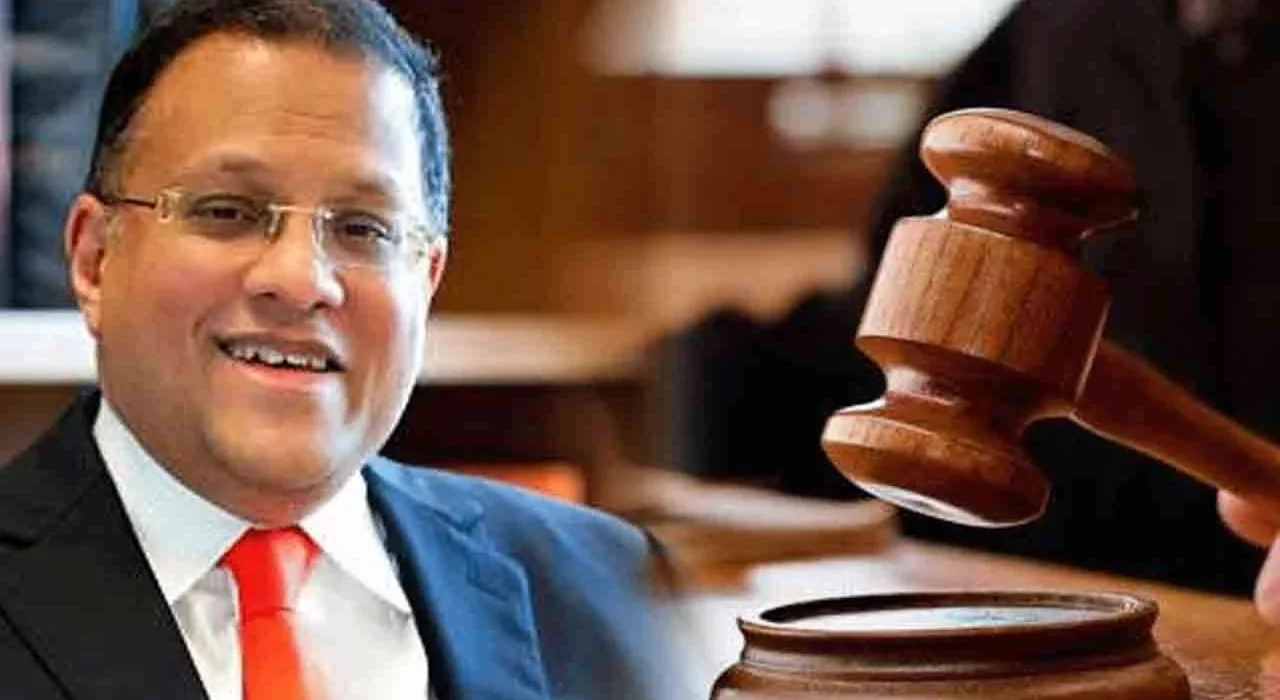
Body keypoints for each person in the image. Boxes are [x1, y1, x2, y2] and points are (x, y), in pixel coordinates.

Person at [0, 1, 680, 698]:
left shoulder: (611, 588)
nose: (300, 281)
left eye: (363, 228)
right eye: (228, 211)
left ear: (427, 280)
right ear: (94, 260)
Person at [653, 0, 1280, 613]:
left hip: (1231, 594)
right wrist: (704, 379)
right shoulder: (1059, 25)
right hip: (1065, 577)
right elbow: (901, 308)